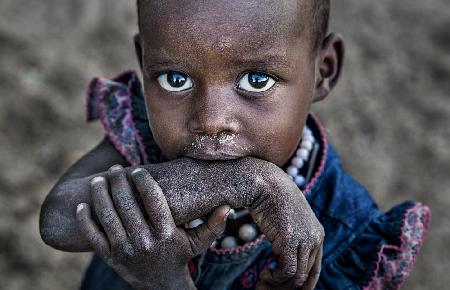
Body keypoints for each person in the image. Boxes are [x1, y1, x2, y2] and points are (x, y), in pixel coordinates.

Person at [39, 0, 430, 289]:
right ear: (145, 64)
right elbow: (58, 219)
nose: (211, 121)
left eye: (256, 80)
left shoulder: (342, 239)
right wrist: (248, 182)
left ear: (323, 70)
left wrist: (163, 282)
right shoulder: (144, 135)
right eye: (175, 79)